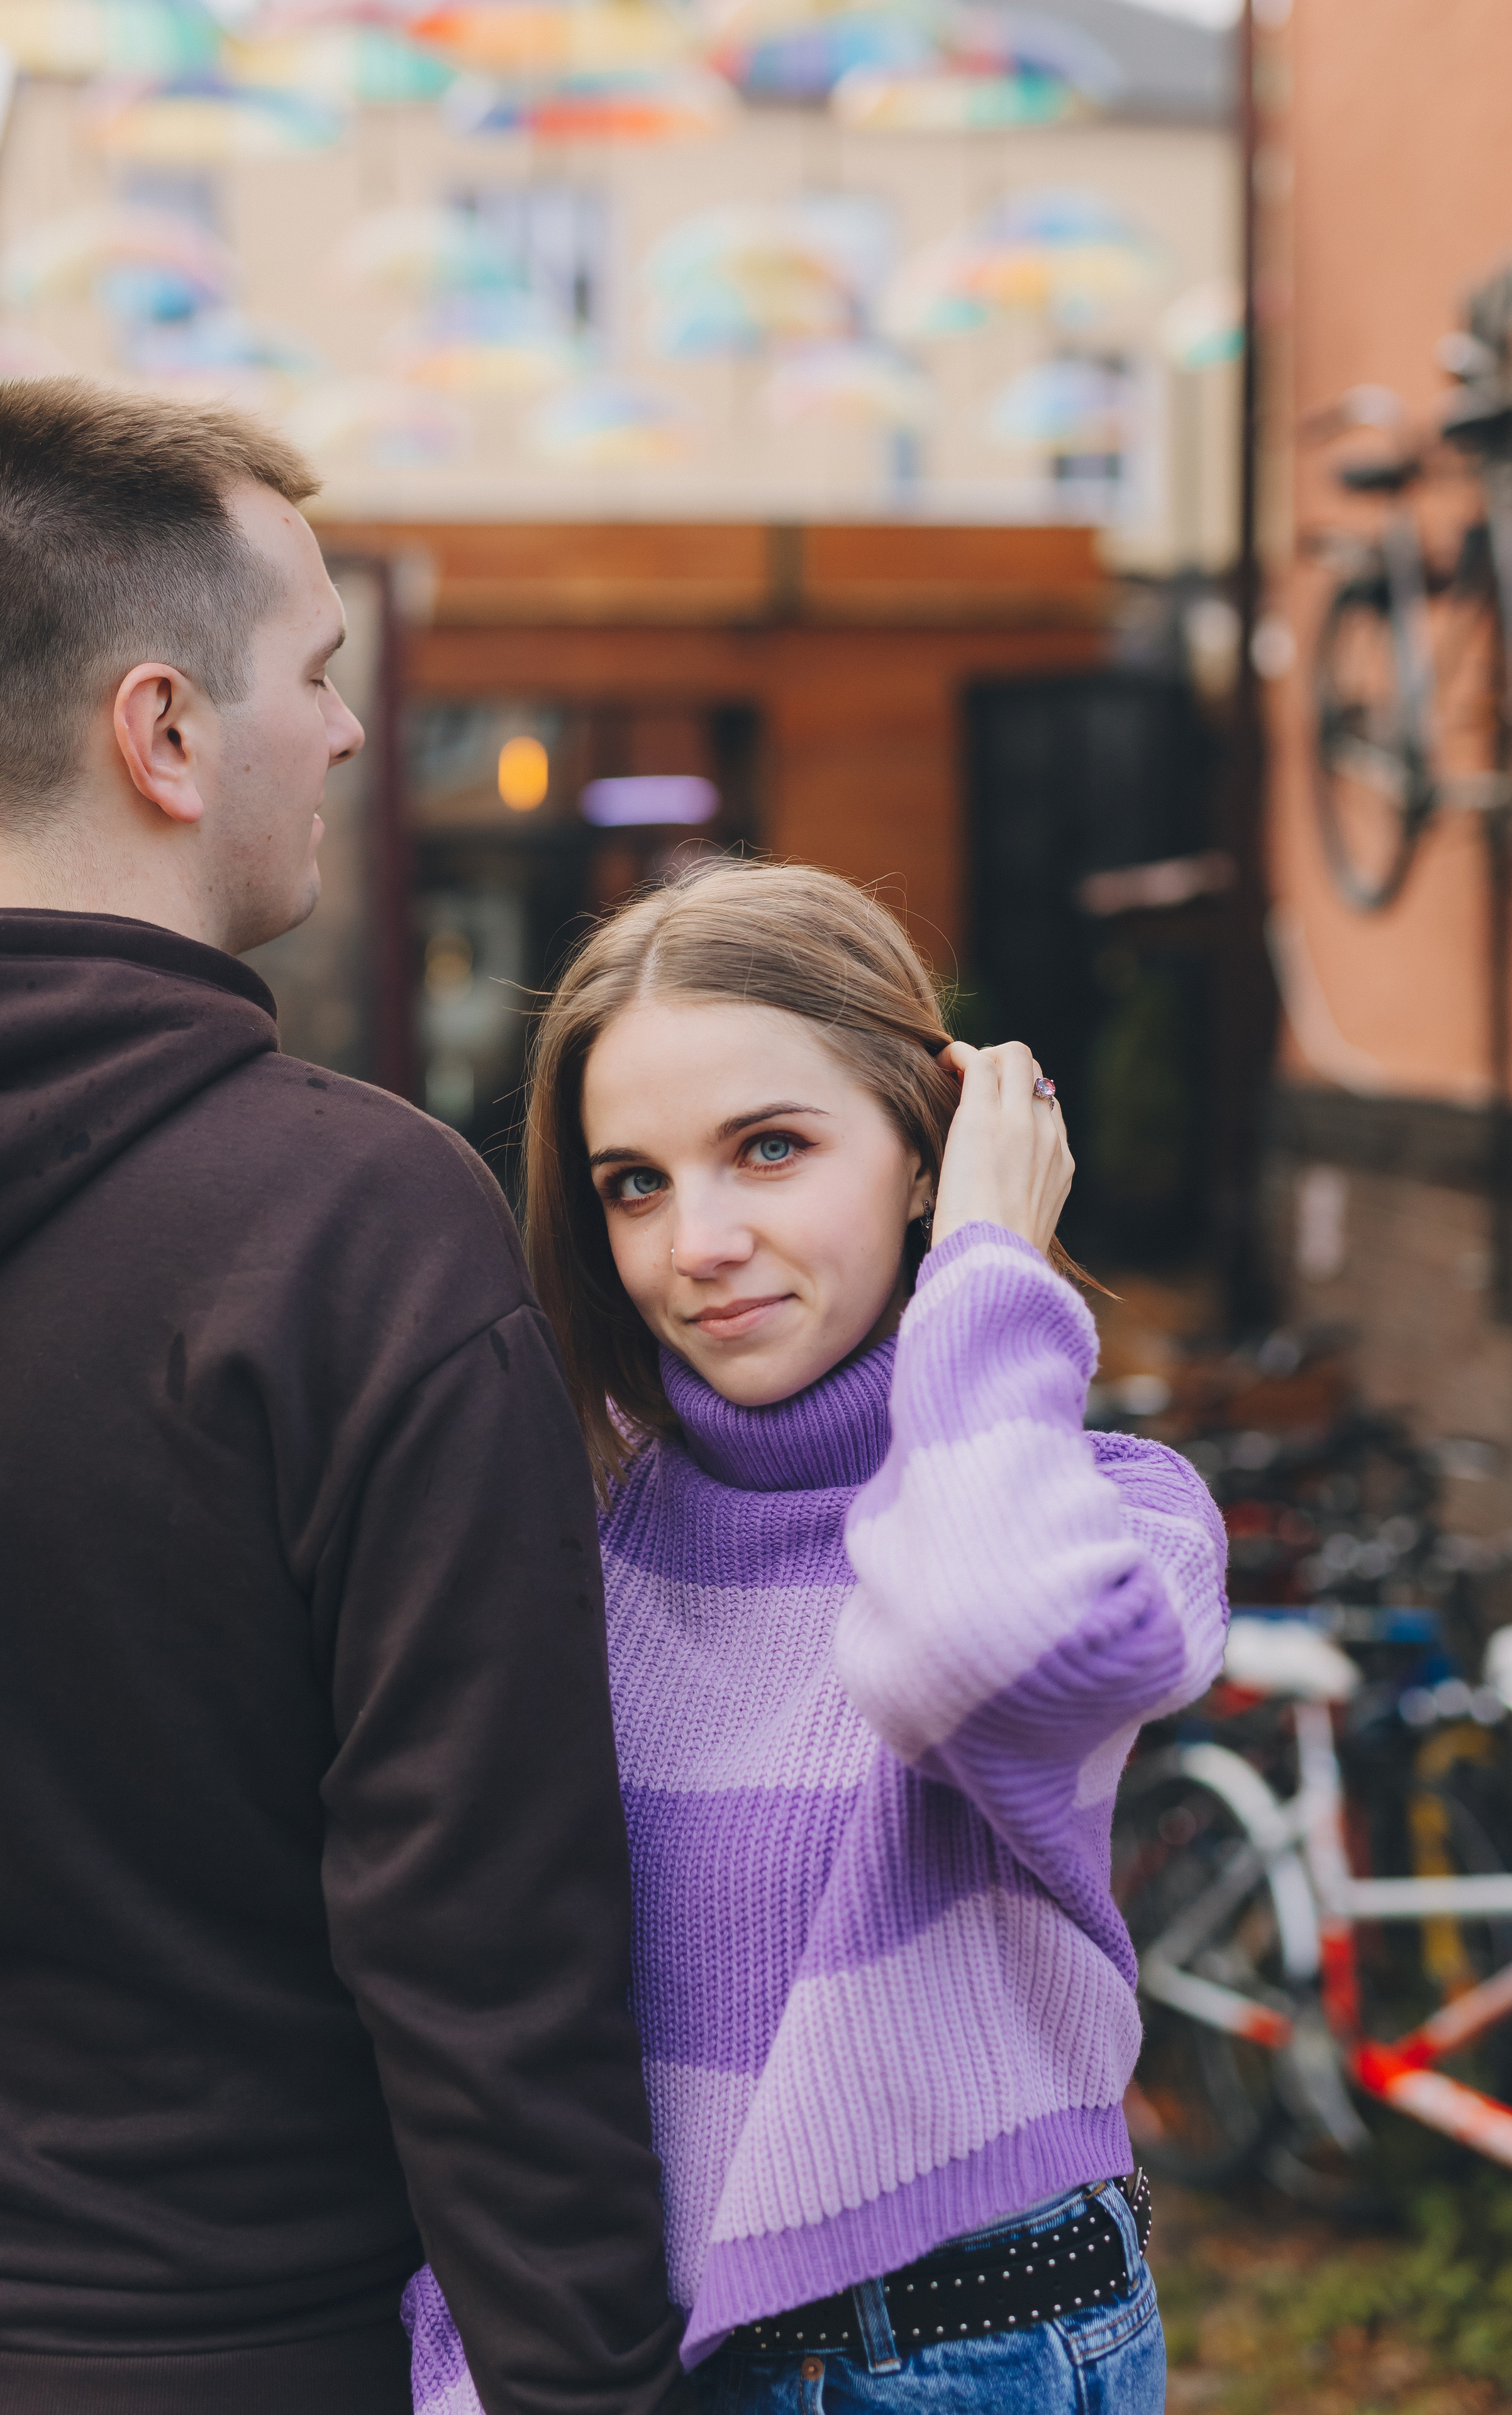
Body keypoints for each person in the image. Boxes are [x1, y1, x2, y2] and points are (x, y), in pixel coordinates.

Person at [0, 380, 693, 2415]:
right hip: (232, 2350)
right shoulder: (357, 1229)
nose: (348, 731)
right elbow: (486, 1939)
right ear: (162, 733)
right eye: (318, 673)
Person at [403, 858, 1229, 2415]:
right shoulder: (569, 1515)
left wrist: (988, 1267)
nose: (693, 1242)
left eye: (767, 1148)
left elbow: (972, 1644)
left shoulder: (1109, 1514)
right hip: (626, 2358)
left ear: (923, 1157)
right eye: (632, 1181)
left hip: (956, 2354)